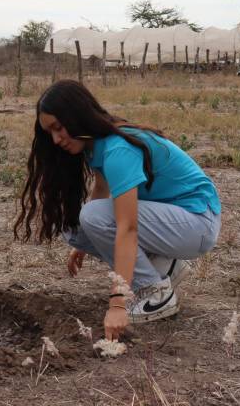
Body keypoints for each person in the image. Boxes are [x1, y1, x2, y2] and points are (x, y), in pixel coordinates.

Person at [14, 80, 221, 341]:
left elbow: (128, 228)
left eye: (58, 127)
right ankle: (164, 267)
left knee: (92, 217)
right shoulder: (97, 145)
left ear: (76, 116)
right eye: (50, 133)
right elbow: (101, 190)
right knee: (75, 227)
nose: (56, 139)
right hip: (177, 222)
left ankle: (153, 291)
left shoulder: (117, 149)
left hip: (197, 223)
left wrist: (117, 303)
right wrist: (83, 242)